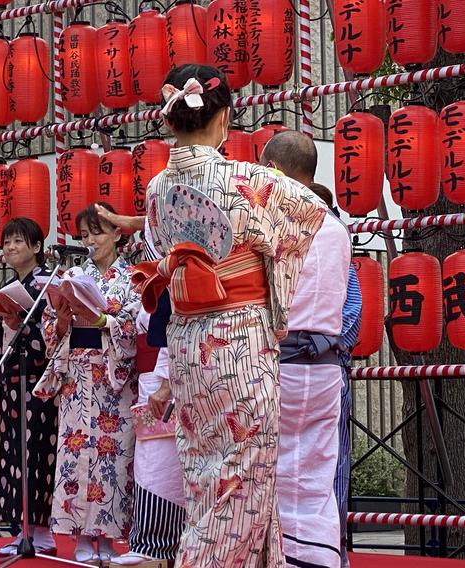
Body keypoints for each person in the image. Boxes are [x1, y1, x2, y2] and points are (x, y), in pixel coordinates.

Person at [139, 65, 326, 567]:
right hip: (238, 341)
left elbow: (160, 248)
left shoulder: (156, 188)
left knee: (208, 477)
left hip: (187, 344)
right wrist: (270, 272)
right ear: (223, 118)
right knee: (240, 484)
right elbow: (310, 213)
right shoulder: (248, 178)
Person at [262, 136, 362, 568]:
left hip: (281, 360)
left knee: (273, 471)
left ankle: (285, 557)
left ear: (274, 168)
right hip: (324, 366)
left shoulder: (275, 222)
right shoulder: (337, 228)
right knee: (318, 475)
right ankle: (322, 557)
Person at [34, 203, 141, 563]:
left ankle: (109, 539)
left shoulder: (131, 279)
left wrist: (102, 322)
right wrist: (62, 322)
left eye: (97, 232)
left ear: (117, 233)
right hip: (78, 374)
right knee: (76, 455)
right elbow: (51, 329)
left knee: (113, 455)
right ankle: (79, 536)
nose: (91, 240)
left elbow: (134, 326)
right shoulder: (74, 274)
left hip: (113, 377)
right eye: (84, 234)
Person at [0, 217, 59, 556]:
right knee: (12, 454)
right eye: (7, 242)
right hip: (11, 385)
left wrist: (22, 327)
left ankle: (42, 530)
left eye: (18, 242)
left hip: (40, 382)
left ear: (37, 247)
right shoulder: (9, 287)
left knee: (38, 453)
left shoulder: (50, 283)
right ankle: (21, 528)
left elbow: (53, 338)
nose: (10, 248)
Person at [110, 308, 187, 566]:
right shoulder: (152, 280)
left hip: (168, 374)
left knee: (165, 464)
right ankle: (150, 542)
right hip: (150, 377)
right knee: (152, 463)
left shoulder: (172, 277)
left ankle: (159, 543)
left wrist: (166, 382)